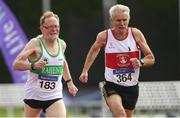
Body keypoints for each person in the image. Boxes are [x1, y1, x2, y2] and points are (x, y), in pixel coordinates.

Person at [79, 4, 155, 118]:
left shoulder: (136, 34)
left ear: (129, 19)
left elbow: (151, 58)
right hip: (112, 85)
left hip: (131, 87)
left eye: (124, 20)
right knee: (120, 115)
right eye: (118, 20)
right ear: (112, 21)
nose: (122, 23)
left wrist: (141, 62)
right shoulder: (104, 36)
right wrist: (85, 70)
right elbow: (93, 51)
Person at [13, 11, 78, 117]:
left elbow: (62, 62)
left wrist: (69, 82)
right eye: (50, 27)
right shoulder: (35, 44)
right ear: (42, 28)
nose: (54, 30)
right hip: (34, 96)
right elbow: (16, 64)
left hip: (54, 96)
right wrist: (32, 66)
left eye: (56, 26)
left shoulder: (61, 44)